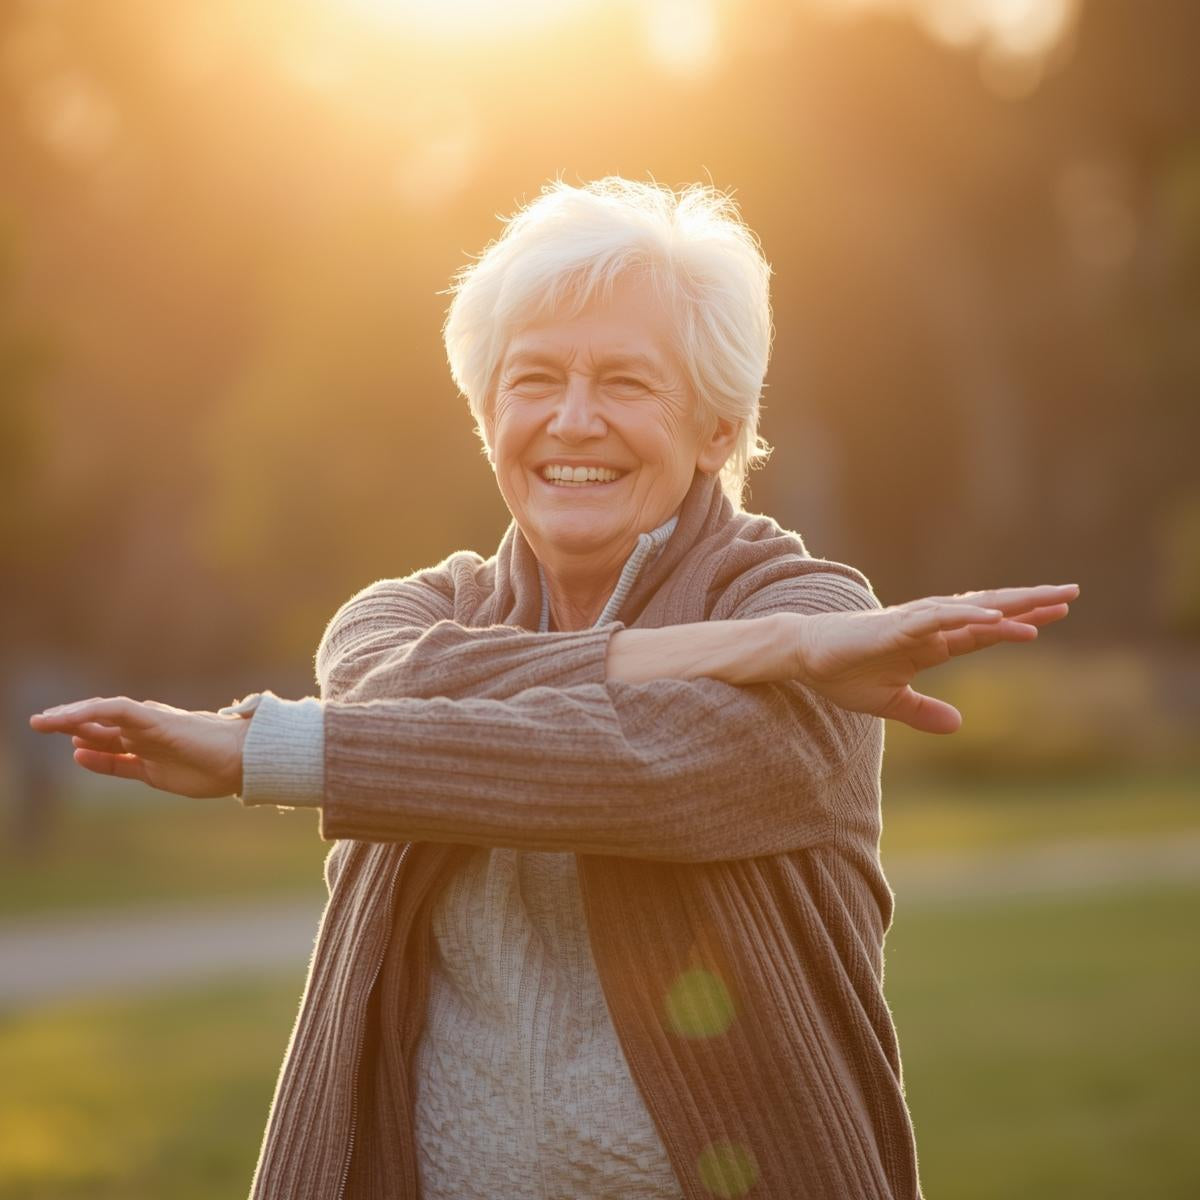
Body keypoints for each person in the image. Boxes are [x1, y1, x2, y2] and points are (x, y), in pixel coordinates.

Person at [30, 176, 1079, 1200]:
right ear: (488, 418)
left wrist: (277, 751)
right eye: (534, 380)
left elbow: (627, 768)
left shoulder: (821, 612)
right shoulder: (408, 616)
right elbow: (398, 683)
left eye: (626, 382)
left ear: (718, 430)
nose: (573, 420)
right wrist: (756, 649)